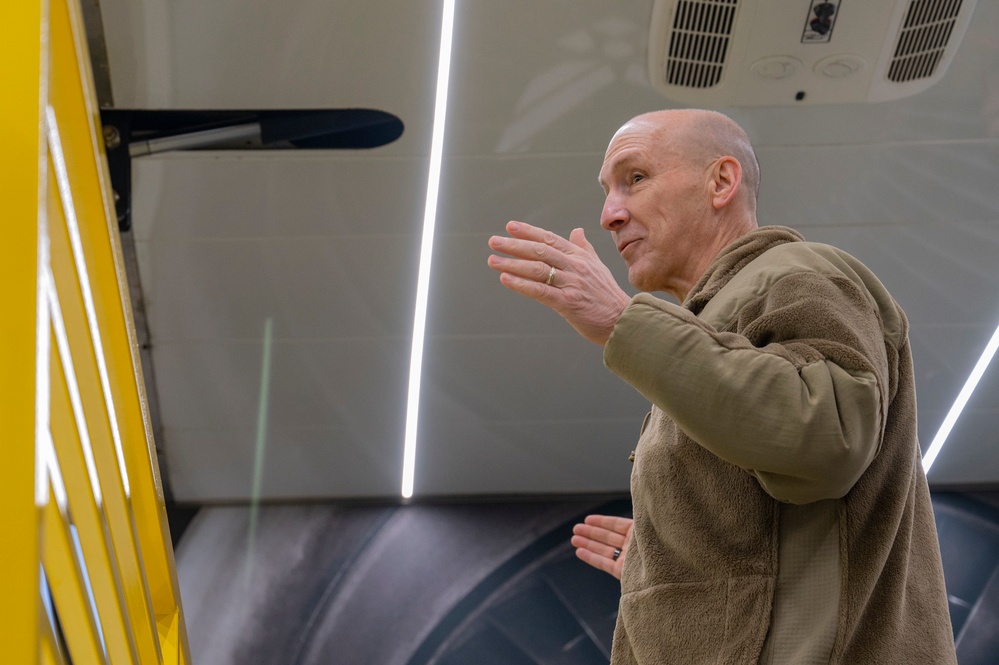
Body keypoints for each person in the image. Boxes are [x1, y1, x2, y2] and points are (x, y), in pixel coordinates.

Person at [487, 109, 956, 664]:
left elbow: (828, 439)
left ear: (721, 182)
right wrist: (671, 560)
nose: (610, 214)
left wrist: (622, 322)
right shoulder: (709, 326)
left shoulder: (798, 273)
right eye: (608, 191)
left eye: (634, 178)